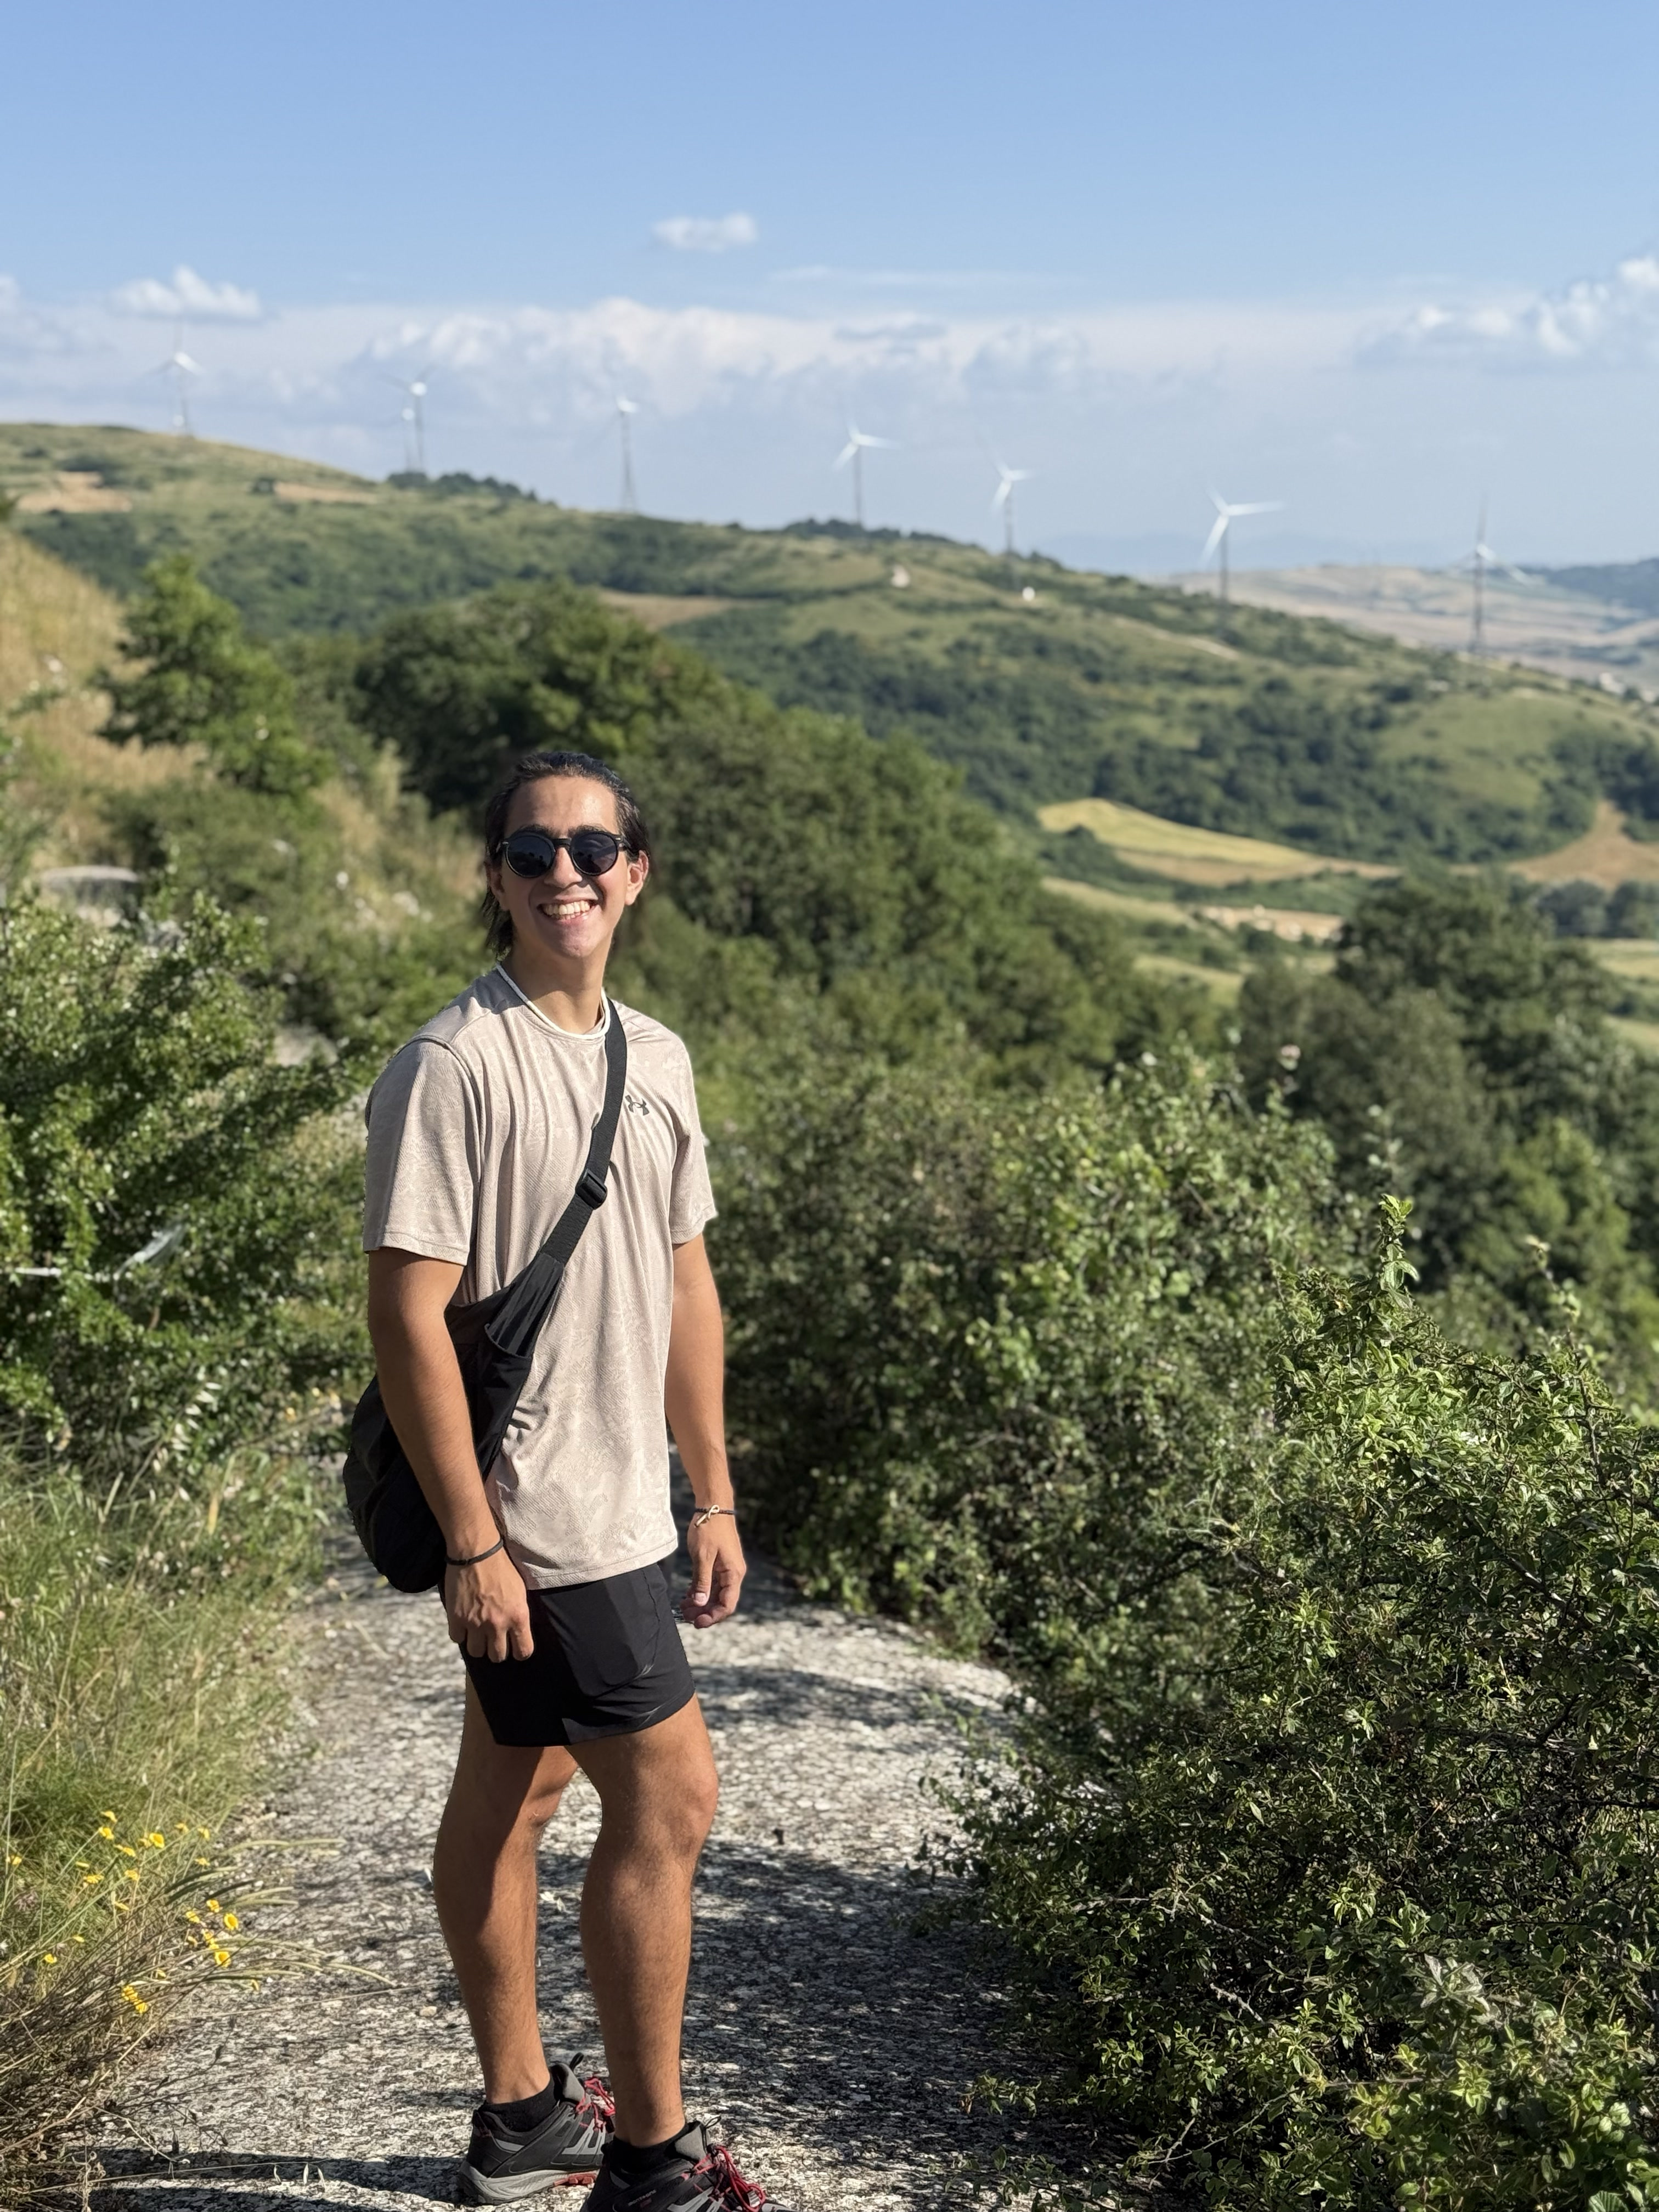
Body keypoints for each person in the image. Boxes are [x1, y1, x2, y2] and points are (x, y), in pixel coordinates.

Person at [363, 748, 782, 2211]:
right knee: (673, 1801)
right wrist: (475, 1542)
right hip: (535, 1515)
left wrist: (708, 1492)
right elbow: (407, 1314)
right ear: (494, 876)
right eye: (533, 851)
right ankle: (652, 2165)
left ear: (635, 872)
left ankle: (523, 2118)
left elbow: (686, 1280)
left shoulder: (655, 1058)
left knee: (524, 1789)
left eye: (593, 848)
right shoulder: (453, 1067)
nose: (566, 873)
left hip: (625, 1501)